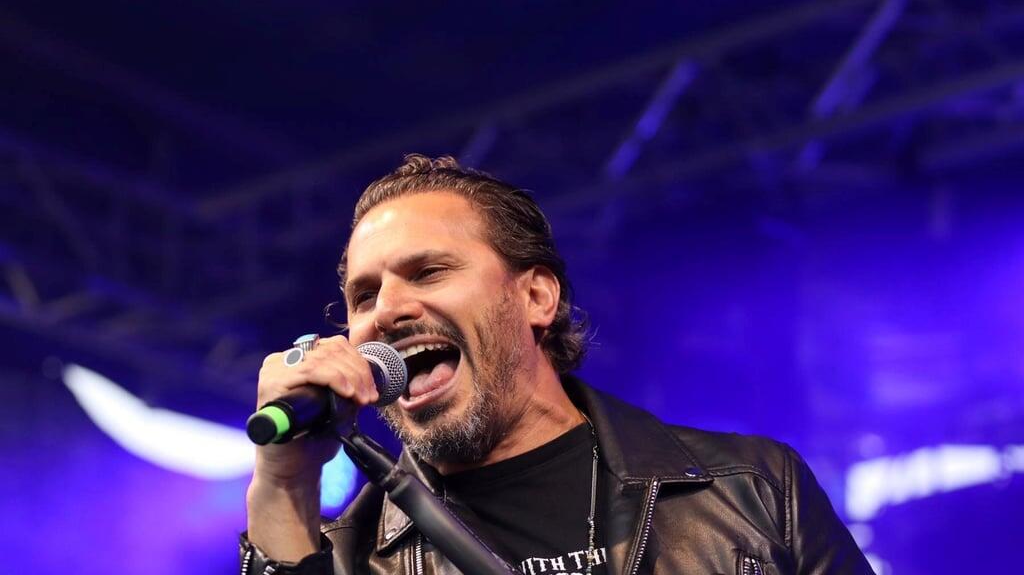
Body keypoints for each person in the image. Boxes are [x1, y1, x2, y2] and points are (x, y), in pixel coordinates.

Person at [241, 155, 874, 575]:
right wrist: (283, 483)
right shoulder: (349, 557)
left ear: (537, 297)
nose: (386, 311)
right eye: (363, 297)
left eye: (428, 272)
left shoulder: (750, 489)